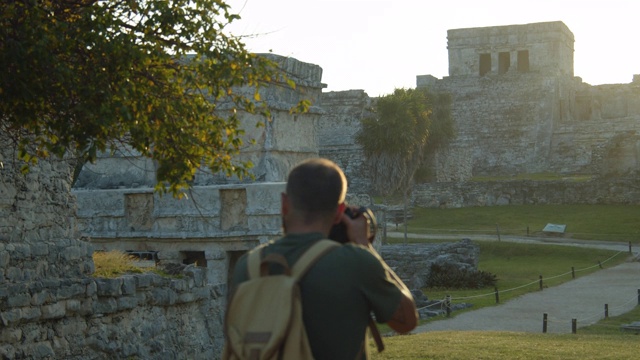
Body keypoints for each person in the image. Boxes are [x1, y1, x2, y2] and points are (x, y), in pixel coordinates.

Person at [229, 158, 418, 359]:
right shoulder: (356, 263)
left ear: (284, 204)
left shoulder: (248, 266)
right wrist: (364, 245)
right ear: (339, 213)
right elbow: (407, 321)